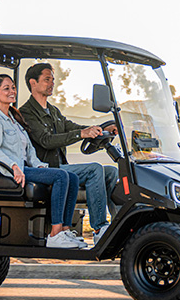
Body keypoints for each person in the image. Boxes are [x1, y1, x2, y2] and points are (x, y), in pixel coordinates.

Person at [0, 74, 86, 249]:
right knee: (61, 176)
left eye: (13, 87)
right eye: (6, 88)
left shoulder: (14, 119)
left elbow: (29, 150)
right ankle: (55, 233)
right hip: (9, 171)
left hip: (25, 167)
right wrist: (14, 166)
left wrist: (38, 164)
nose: (12, 91)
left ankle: (65, 230)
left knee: (72, 177)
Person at [19, 63, 117, 241]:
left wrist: (100, 130)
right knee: (95, 169)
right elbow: (46, 140)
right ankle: (99, 229)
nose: (51, 84)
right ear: (33, 83)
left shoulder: (53, 111)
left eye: (53, 80)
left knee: (111, 171)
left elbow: (72, 127)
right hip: (47, 169)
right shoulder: (26, 112)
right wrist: (81, 133)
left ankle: (116, 224)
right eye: (47, 80)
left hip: (62, 167)